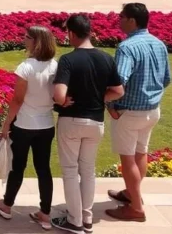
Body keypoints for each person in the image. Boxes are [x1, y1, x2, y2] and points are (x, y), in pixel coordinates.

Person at [51, 14, 124, 233]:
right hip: (96, 122)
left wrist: (63, 101)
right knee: (88, 170)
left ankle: (74, 219)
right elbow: (118, 91)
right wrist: (100, 97)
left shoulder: (68, 59)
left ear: (72, 33)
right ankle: (86, 216)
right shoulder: (105, 57)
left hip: (72, 121)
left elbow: (58, 94)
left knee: (71, 171)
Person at [106, 3, 171, 223]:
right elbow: (167, 79)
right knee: (140, 154)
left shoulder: (127, 47)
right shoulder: (159, 44)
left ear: (132, 20)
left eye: (121, 16)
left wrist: (109, 105)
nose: (118, 19)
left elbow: (119, 83)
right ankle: (132, 193)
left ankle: (136, 207)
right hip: (152, 111)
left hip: (129, 112)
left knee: (128, 160)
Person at [0, 26, 57, 230]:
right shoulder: (55, 65)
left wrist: (6, 123)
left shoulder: (26, 67)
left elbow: (17, 99)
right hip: (46, 124)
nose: (23, 40)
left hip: (25, 124)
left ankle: (7, 204)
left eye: (27, 37)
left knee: (17, 166)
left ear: (35, 42)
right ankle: (45, 213)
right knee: (43, 168)